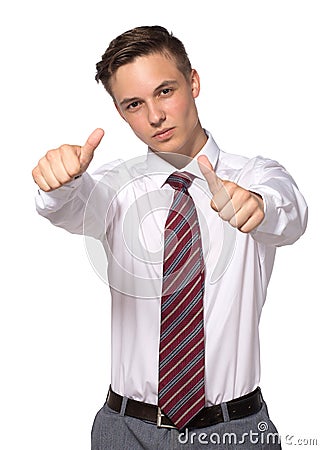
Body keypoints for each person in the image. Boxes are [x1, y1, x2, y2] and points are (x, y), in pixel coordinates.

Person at [32, 25, 308, 449]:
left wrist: (258, 205)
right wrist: (59, 183)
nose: (155, 117)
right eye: (134, 104)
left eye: (165, 91)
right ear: (121, 113)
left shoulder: (254, 175)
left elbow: (289, 211)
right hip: (124, 431)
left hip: (234, 431)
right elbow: (72, 205)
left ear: (193, 82)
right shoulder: (114, 187)